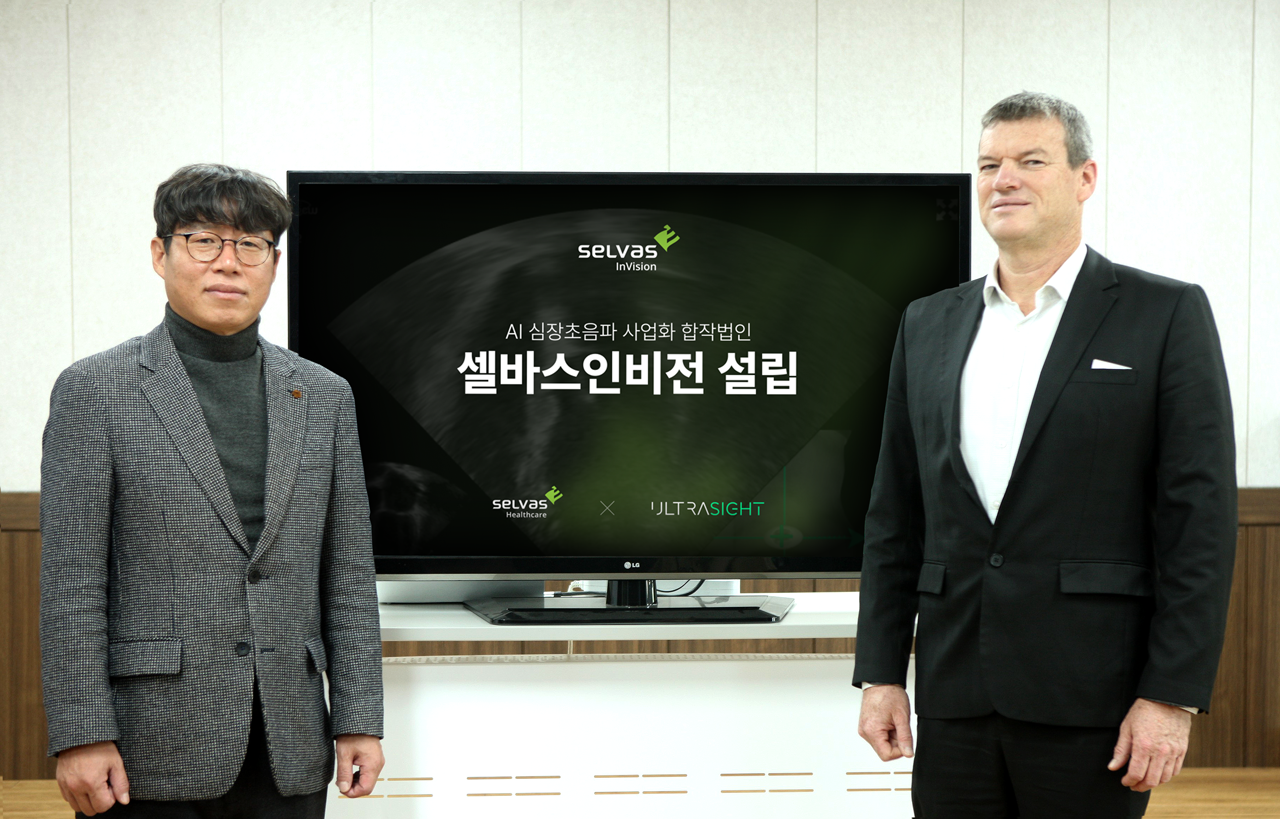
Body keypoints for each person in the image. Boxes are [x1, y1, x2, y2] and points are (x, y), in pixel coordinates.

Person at [852, 92, 1236, 818]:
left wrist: (1170, 694)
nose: (1004, 180)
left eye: (1031, 161)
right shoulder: (927, 324)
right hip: (955, 693)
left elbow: (1200, 524)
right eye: (988, 165)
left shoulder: (1164, 314)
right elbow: (893, 514)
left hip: (1094, 697)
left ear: (1084, 178)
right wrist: (881, 673)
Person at [40, 164, 385, 817]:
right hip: (147, 744)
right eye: (204, 240)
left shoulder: (324, 395)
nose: (228, 261)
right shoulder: (95, 390)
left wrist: (359, 717)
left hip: (290, 739)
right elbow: (71, 584)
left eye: (250, 244)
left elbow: (346, 573)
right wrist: (81, 733)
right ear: (160, 254)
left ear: (273, 263)